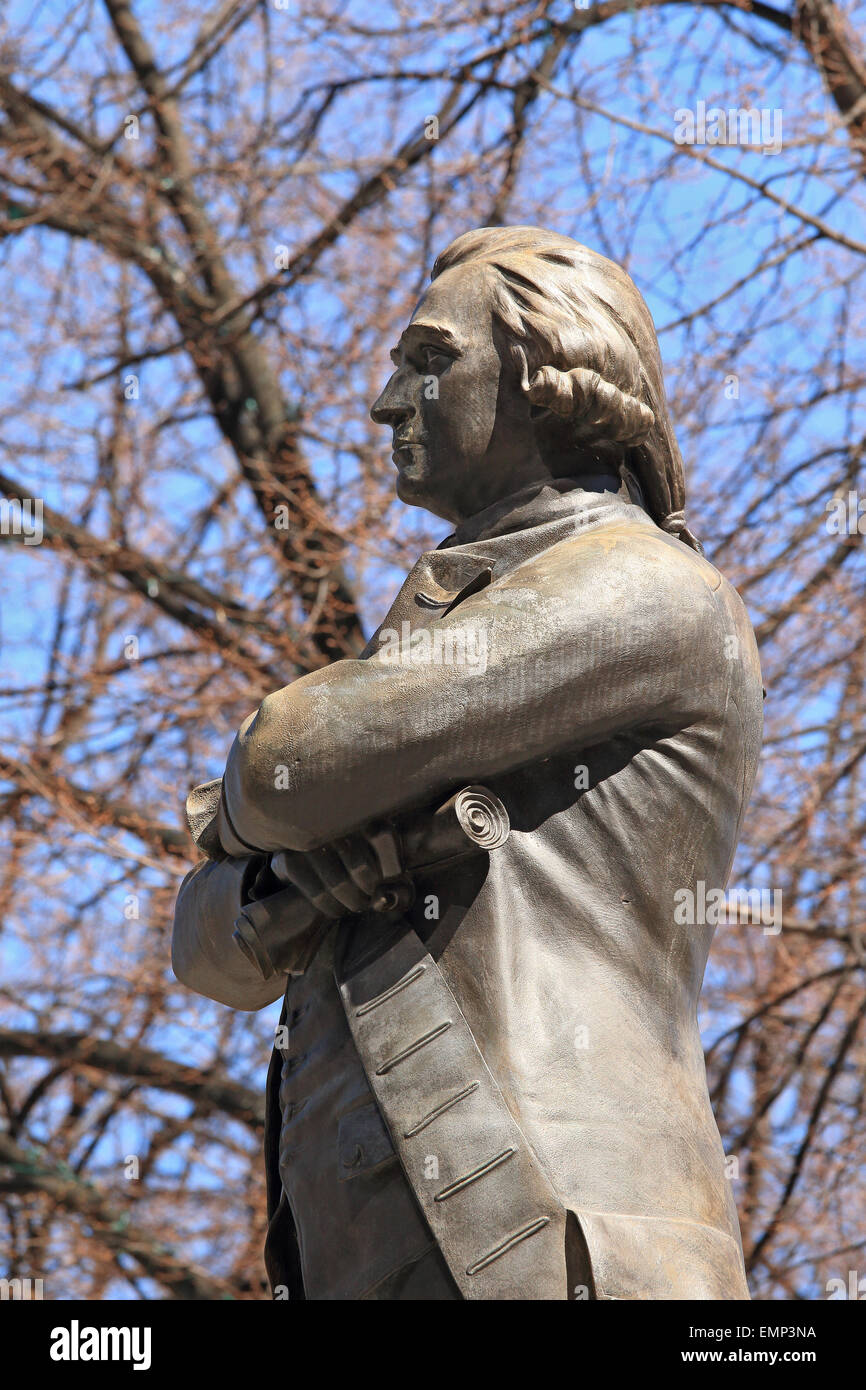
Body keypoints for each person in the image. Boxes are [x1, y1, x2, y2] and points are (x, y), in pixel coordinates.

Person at [172, 226, 763, 1300]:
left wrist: (251, 803)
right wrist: (290, 876)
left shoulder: (643, 588)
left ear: (553, 376)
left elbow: (287, 758)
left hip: (553, 1236)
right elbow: (204, 945)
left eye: (427, 360)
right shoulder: (440, 633)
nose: (386, 401)